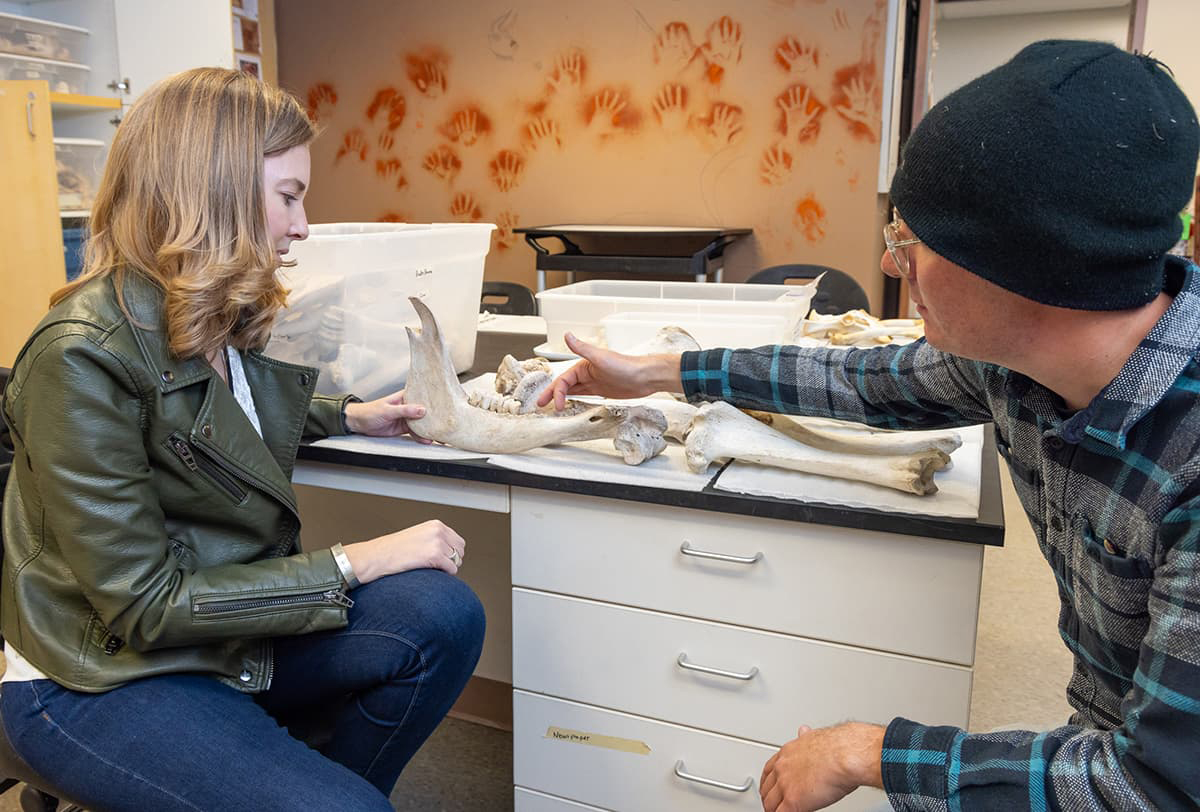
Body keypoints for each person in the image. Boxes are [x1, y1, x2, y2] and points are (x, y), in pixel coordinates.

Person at [540, 40, 1200, 811]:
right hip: (1106, 722)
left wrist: (872, 752)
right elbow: (859, 381)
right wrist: (656, 373)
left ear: (1023, 266)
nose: (893, 266)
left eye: (910, 240)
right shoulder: (1018, 367)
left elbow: (1153, 785)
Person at [0, 67, 484, 811]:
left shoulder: (203, 313)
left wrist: (348, 413)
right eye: (288, 196)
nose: (303, 226)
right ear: (211, 191)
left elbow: (211, 418)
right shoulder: (82, 353)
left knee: (443, 615)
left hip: (212, 640)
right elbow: (147, 607)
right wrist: (358, 561)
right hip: (99, 670)